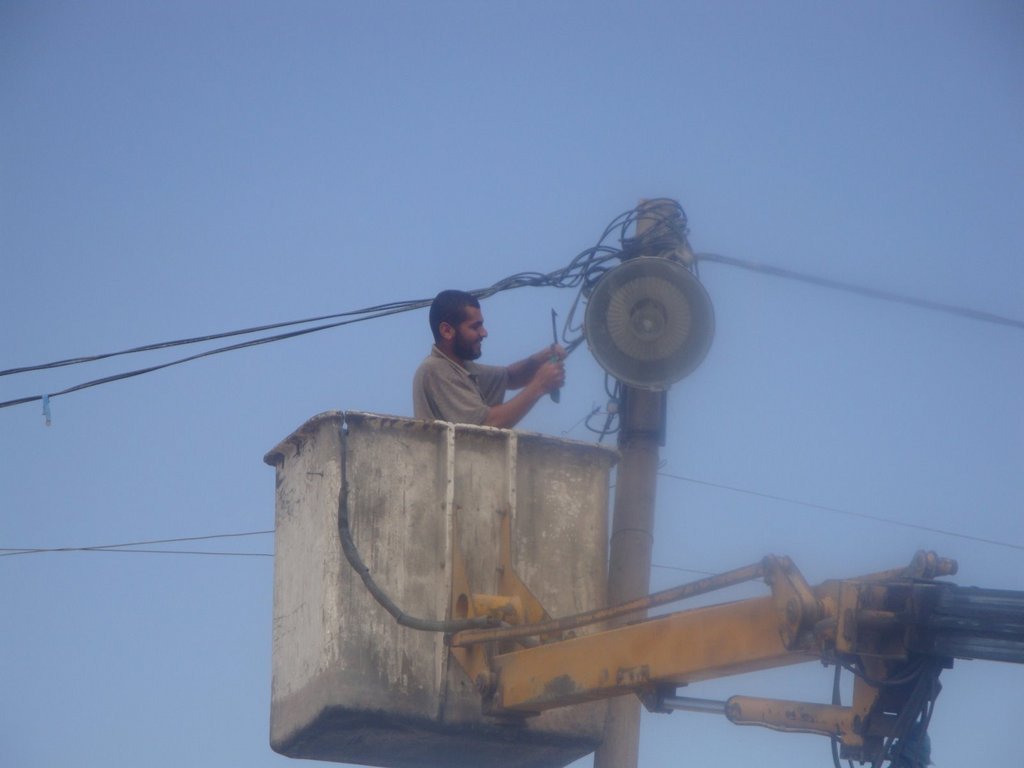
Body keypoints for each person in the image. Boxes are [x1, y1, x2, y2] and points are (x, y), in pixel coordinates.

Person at [413, 289, 565, 428]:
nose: (484, 333)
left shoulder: (461, 367)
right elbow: (486, 425)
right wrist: (540, 385)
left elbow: (509, 377)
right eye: (475, 327)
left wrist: (542, 358)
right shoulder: (435, 369)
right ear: (447, 331)